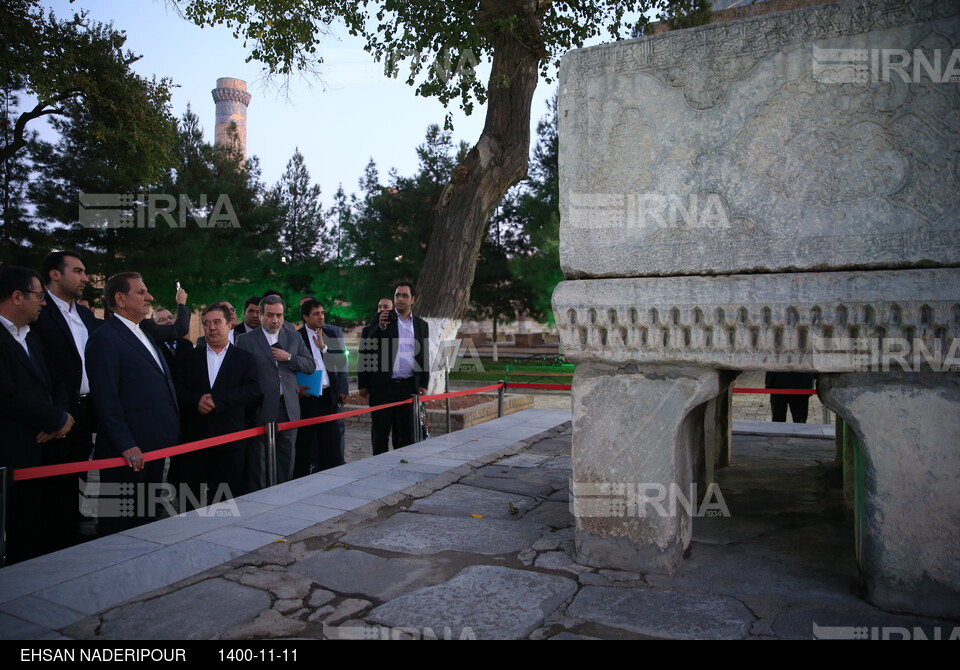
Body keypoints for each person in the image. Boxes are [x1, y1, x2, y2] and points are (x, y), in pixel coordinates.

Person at [86, 272, 180, 535]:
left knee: (145, 519)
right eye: (141, 292)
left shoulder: (143, 332)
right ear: (120, 299)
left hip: (153, 445)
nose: (149, 297)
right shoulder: (105, 338)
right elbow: (105, 397)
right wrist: (125, 443)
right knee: (119, 524)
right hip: (127, 452)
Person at [0, 266, 74, 562]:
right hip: (10, 451)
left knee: (34, 526)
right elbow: (6, 393)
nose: (43, 302)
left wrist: (60, 416)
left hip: (44, 450)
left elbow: (55, 379)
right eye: (38, 295)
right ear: (18, 296)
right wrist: (53, 420)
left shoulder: (30, 335)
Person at [33, 251, 101, 550]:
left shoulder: (85, 315)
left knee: (78, 473)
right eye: (78, 271)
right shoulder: (39, 313)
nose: (85, 278)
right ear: (54, 275)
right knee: (51, 480)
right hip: (56, 413)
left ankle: (72, 530)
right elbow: (39, 368)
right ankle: (49, 541)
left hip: (87, 409)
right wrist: (53, 414)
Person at [174, 304, 260, 508]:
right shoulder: (188, 357)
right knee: (189, 502)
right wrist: (196, 400)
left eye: (217, 322)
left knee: (226, 502)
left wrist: (218, 401)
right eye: (206, 323)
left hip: (230, 440)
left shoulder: (244, 358)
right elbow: (175, 388)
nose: (211, 327)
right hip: (194, 441)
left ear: (229, 325)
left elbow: (252, 390)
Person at [236, 295, 315, 489]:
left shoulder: (293, 336)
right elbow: (238, 374)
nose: (275, 320)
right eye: (270, 315)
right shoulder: (245, 340)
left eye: (279, 315)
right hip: (260, 408)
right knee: (259, 458)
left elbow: (310, 365)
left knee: (287, 454)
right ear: (261, 315)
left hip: (288, 406)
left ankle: (283, 493)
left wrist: (288, 357)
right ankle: (260, 496)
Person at [358, 281, 429, 455]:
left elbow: (423, 355)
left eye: (405, 296)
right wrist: (363, 383)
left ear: (413, 299)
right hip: (383, 386)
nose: (400, 299)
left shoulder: (421, 325)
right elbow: (367, 348)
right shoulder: (382, 318)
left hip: (408, 386)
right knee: (380, 433)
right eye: (397, 295)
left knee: (407, 434)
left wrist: (424, 382)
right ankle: (379, 468)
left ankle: (402, 466)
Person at [293, 299, 348, 476]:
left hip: (328, 396)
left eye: (322, 313)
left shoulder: (332, 332)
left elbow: (341, 362)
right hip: (307, 397)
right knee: (306, 444)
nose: (321, 317)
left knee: (330, 443)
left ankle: (329, 477)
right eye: (316, 314)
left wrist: (323, 347)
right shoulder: (295, 337)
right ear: (305, 317)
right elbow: (291, 366)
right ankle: (302, 479)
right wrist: (297, 387)